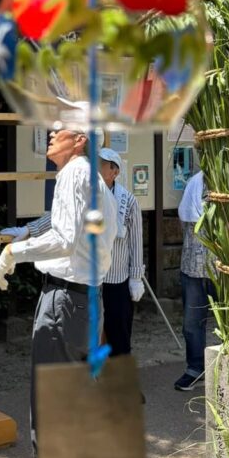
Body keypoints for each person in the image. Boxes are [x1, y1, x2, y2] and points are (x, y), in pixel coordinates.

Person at [0, 127, 117, 458]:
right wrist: (28, 237)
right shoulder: (96, 179)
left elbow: (64, 239)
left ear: (79, 139)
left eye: (58, 130)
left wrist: (14, 253)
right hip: (89, 303)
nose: (49, 135)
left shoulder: (73, 174)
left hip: (66, 303)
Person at [99, 147, 145, 357]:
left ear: (115, 172)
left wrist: (136, 278)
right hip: (89, 278)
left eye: (102, 165)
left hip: (117, 277)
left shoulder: (128, 200)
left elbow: (136, 241)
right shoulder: (87, 195)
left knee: (118, 334)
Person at [175, 169, 213, 391]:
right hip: (192, 265)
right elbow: (184, 220)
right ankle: (195, 369)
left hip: (223, 267)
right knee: (191, 323)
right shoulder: (194, 182)